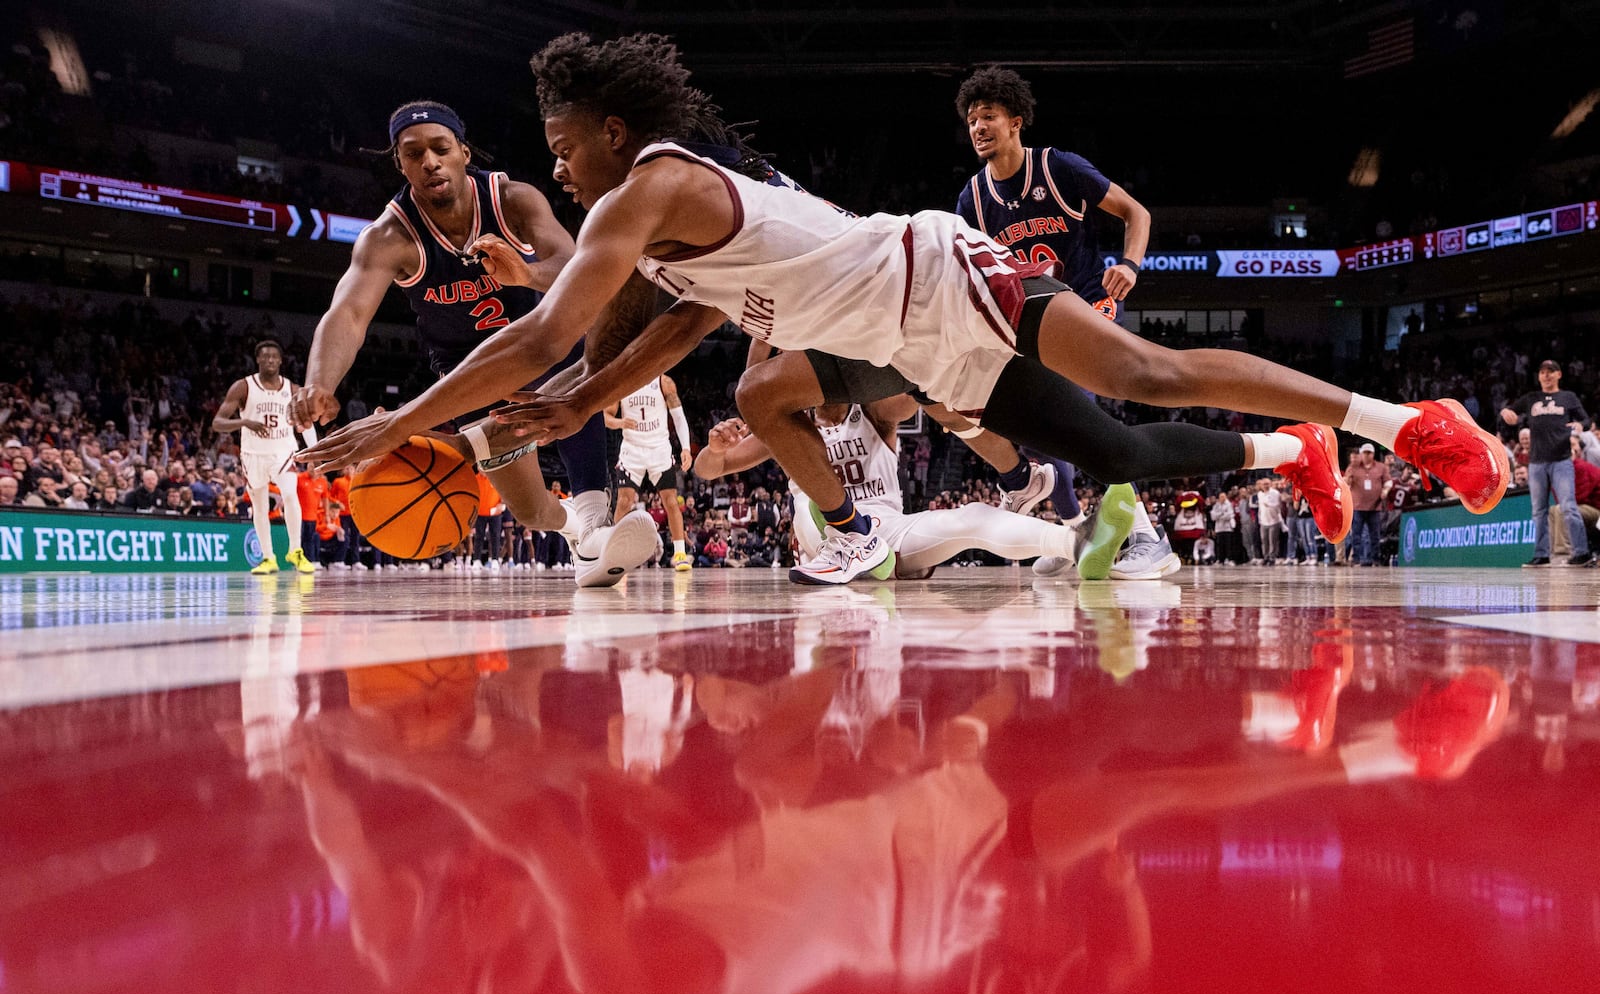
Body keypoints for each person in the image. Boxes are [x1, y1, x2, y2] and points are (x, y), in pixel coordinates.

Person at [299, 32, 1509, 589]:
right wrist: (545, 411)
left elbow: (549, 327)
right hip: (908, 339)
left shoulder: (650, 181)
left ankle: (1403, 419)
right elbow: (659, 336)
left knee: (1146, 370)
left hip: (938, 273)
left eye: (563, 147)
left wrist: (397, 423)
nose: (556, 168)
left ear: (610, 131)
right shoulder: (657, 235)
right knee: (1119, 446)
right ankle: (1291, 448)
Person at [291, 100, 656, 588]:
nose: (430, 162)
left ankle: (595, 521)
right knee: (529, 510)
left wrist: (526, 272)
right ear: (399, 163)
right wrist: (320, 382)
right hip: (471, 371)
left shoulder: (514, 200)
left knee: (573, 352)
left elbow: (578, 270)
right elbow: (348, 313)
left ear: (463, 152)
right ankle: (577, 530)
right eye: (413, 153)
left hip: (542, 340)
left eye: (441, 149)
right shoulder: (389, 236)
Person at [954, 65, 1180, 581]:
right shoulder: (972, 199)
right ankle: (1076, 527)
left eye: (987, 116)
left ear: (1016, 120)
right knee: (1039, 432)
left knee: (1080, 420)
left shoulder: (1059, 168)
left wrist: (1130, 264)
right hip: (1030, 323)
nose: (978, 128)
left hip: (1088, 306)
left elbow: (1136, 213)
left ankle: (1148, 537)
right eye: (970, 121)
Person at [692, 398, 1110, 582]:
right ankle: (848, 549)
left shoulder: (874, 412)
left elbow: (915, 393)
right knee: (806, 505)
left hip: (885, 531)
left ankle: (1076, 543)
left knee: (970, 517)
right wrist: (714, 449)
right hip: (826, 541)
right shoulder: (788, 427)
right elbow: (708, 470)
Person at [213, 340, 316, 574]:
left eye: (274, 357)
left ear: (280, 361)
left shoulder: (293, 389)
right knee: (259, 506)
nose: (270, 360)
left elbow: (307, 423)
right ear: (258, 360)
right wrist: (244, 422)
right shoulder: (243, 387)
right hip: (253, 454)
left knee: (290, 495)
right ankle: (268, 557)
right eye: (265, 356)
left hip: (283, 451)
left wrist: (314, 450)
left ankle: (295, 550)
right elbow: (217, 423)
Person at [1500, 360, 1594, 567]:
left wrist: (1579, 424)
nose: (1546, 375)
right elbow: (1511, 414)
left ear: (1559, 374)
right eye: (1542, 372)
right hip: (1537, 462)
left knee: (1568, 506)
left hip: (1561, 459)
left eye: (1550, 372)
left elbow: (1586, 421)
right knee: (1538, 511)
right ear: (1539, 376)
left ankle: (1581, 553)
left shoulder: (1567, 397)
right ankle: (1541, 555)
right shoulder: (1531, 398)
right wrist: (1508, 414)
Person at [607, 372, 694, 570]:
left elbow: (679, 417)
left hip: (659, 449)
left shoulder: (664, 382)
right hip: (632, 449)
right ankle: (615, 555)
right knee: (623, 502)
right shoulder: (622, 382)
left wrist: (686, 448)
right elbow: (605, 416)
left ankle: (680, 554)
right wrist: (620, 423)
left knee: (671, 501)